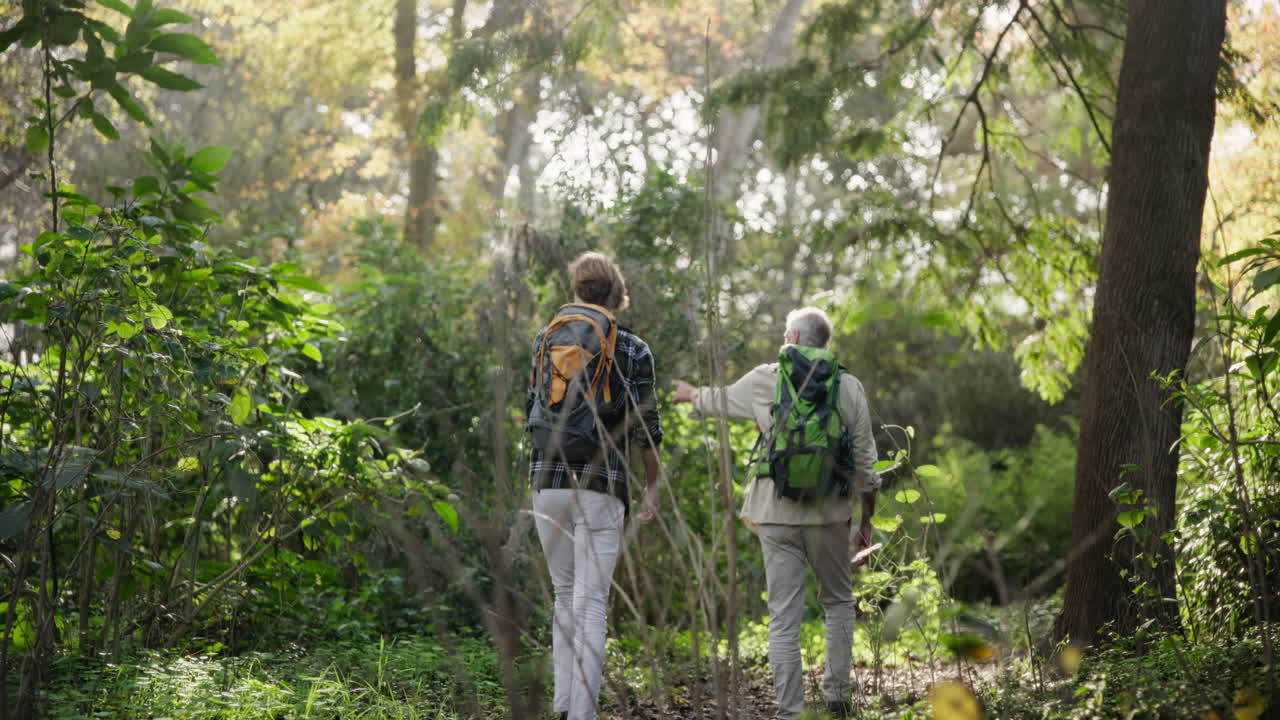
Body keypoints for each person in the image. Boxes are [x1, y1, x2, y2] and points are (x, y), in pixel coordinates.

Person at [672, 306, 880, 720]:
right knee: (838, 603)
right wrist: (866, 519)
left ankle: (790, 712)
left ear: (797, 339)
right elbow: (866, 464)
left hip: (775, 512)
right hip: (830, 515)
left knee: (783, 617)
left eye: (787, 334)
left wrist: (691, 394)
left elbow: (721, 400)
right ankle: (838, 700)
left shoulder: (766, 377)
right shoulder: (849, 386)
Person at [526, 251, 663, 720]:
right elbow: (646, 427)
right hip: (601, 485)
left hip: (546, 483)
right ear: (616, 294)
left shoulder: (546, 339)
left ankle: (564, 708)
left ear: (577, 289)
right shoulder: (631, 348)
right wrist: (653, 484)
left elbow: (533, 409)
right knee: (590, 604)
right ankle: (582, 714)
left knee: (564, 597)